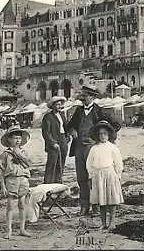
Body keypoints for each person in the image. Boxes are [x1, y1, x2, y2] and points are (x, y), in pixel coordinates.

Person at [66, 85, 121, 216]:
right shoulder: (78, 111)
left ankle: (96, 206)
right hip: (79, 148)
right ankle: (84, 206)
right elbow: (70, 126)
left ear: (92, 97)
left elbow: (116, 124)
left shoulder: (100, 111)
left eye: (85, 96)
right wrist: (72, 131)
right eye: (82, 96)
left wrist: (106, 136)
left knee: (94, 178)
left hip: (94, 149)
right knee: (81, 178)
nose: (83, 98)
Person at [86, 120, 124, 231]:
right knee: (101, 201)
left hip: (110, 174)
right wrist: (90, 176)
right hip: (98, 175)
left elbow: (118, 163)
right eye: (100, 134)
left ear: (109, 135)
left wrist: (118, 175)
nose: (103, 136)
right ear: (97, 135)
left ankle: (112, 222)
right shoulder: (94, 148)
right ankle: (103, 223)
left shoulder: (112, 147)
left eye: (105, 133)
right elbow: (89, 164)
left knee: (111, 200)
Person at [0, 125, 32, 239]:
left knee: (22, 205)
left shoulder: (24, 152)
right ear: (9, 139)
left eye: (19, 138)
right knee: (10, 206)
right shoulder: (5, 154)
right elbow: (2, 171)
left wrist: (20, 154)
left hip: (23, 179)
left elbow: (28, 164)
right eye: (15, 138)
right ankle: (9, 230)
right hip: (11, 180)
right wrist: (3, 185)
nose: (17, 140)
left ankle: (22, 229)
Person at [41, 96, 70, 184]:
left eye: (60, 104)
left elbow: (66, 127)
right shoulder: (48, 117)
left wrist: (67, 138)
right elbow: (46, 132)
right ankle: (48, 183)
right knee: (52, 163)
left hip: (63, 140)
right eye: (57, 104)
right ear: (52, 106)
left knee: (61, 162)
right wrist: (52, 143)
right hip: (54, 141)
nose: (59, 106)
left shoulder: (62, 115)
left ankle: (58, 182)